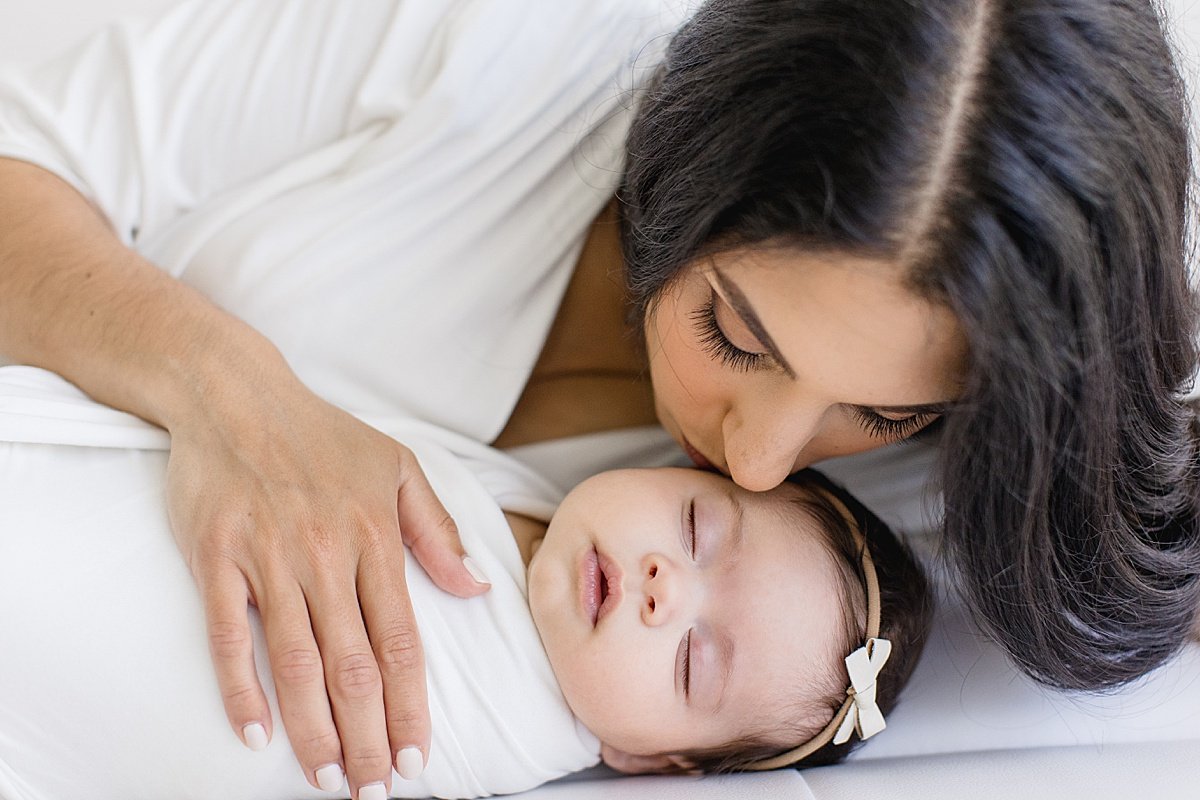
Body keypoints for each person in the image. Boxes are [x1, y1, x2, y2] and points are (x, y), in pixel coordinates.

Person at [0, 0, 1195, 797]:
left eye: (885, 413)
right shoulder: (496, 42)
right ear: (684, 162)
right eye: (734, 331)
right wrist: (224, 386)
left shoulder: (842, 570)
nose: (765, 462)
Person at [0, 366, 931, 799]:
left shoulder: (504, 732)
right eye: (694, 529)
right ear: (685, 467)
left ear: (652, 761)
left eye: (693, 661)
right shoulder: (532, 499)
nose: (663, 589)